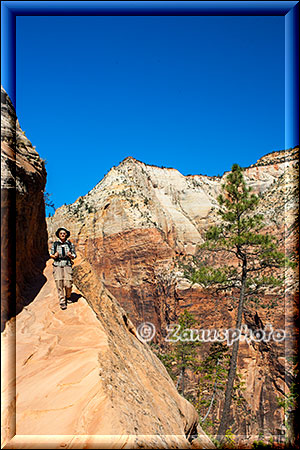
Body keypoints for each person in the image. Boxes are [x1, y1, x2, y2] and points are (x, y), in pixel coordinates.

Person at [50, 227, 77, 310]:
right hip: (57, 264)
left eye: (64, 233)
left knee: (68, 283)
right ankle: (62, 301)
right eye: (61, 233)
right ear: (58, 235)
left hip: (67, 264)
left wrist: (71, 255)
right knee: (59, 282)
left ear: (66, 235)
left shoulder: (70, 244)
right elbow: (51, 254)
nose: (62, 235)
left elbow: (74, 255)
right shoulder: (55, 244)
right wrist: (54, 256)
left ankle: (68, 296)